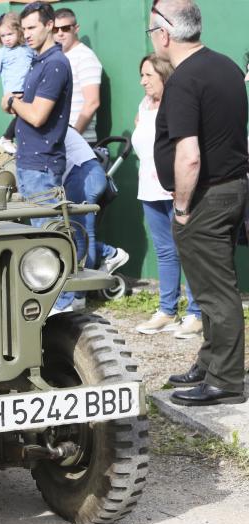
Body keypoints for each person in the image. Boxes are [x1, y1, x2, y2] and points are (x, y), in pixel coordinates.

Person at [150, 0, 248, 406]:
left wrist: (183, 207)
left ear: (165, 33)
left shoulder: (185, 79)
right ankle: (210, 362)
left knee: (217, 292)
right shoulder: (224, 65)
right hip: (230, 188)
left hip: (206, 196)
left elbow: (189, 154)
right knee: (209, 288)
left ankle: (225, 380)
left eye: (152, 31)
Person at [1, 1, 72, 313]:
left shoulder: (56, 63)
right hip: (30, 162)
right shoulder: (38, 61)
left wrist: (12, 103)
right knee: (40, 238)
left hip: (42, 164)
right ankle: (53, 301)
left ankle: (63, 304)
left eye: (31, 28)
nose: (26, 34)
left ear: (50, 25)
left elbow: (39, 115)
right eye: (23, 28)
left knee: (50, 238)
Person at [131, 53, 202, 338]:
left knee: (189, 250)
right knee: (164, 251)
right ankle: (167, 311)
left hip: (176, 189)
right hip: (148, 189)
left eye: (148, 75)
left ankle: (197, 314)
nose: (142, 81)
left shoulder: (178, 103)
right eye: (141, 75)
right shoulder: (144, 105)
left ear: (163, 75)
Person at [62, 125, 129, 310]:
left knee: (81, 236)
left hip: (83, 175)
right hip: (87, 173)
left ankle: (78, 297)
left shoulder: (47, 123)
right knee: (77, 235)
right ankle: (110, 253)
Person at [0, 12, 34, 153]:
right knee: (23, 116)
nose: (6, 39)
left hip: (29, 89)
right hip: (14, 92)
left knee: (28, 119)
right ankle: (7, 138)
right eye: (3, 36)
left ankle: (20, 144)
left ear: (19, 31)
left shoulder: (28, 48)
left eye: (10, 34)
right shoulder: (2, 53)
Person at [53, 7, 102, 143]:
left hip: (79, 141)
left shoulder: (85, 57)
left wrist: (73, 137)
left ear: (76, 28)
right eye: (55, 30)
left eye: (66, 28)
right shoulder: (57, 58)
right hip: (59, 140)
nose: (60, 33)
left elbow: (92, 102)